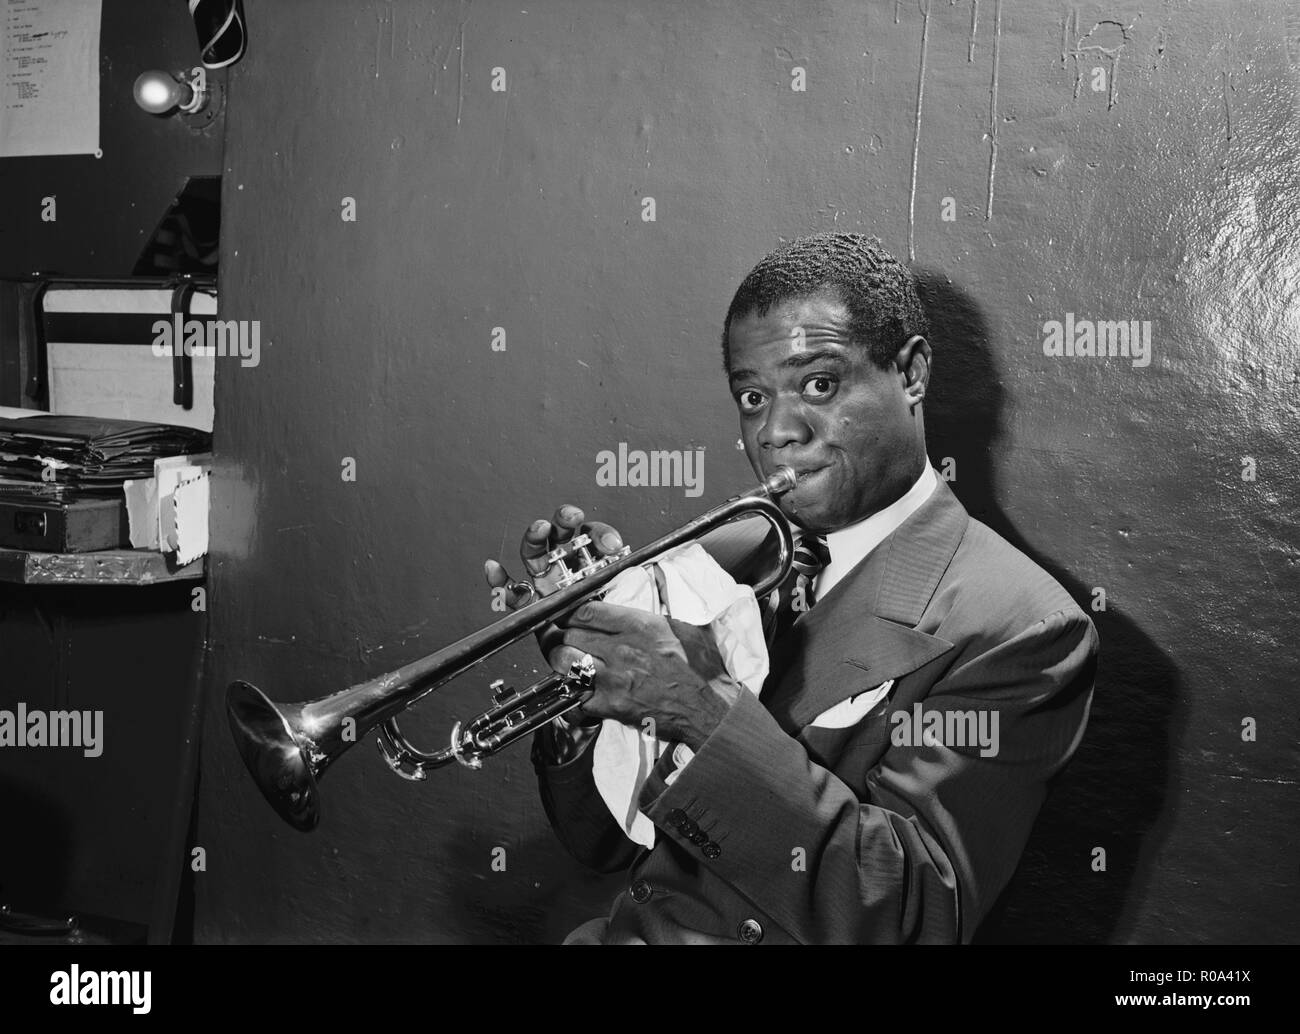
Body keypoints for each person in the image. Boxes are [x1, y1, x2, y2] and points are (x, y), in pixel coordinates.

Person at [484, 232, 1098, 944]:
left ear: (912, 373)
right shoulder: (722, 556)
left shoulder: (1022, 625)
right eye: (752, 396)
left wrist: (697, 706)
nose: (775, 431)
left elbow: (914, 916)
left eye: (818, 384)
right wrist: (591, 700)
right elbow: (606, 847)